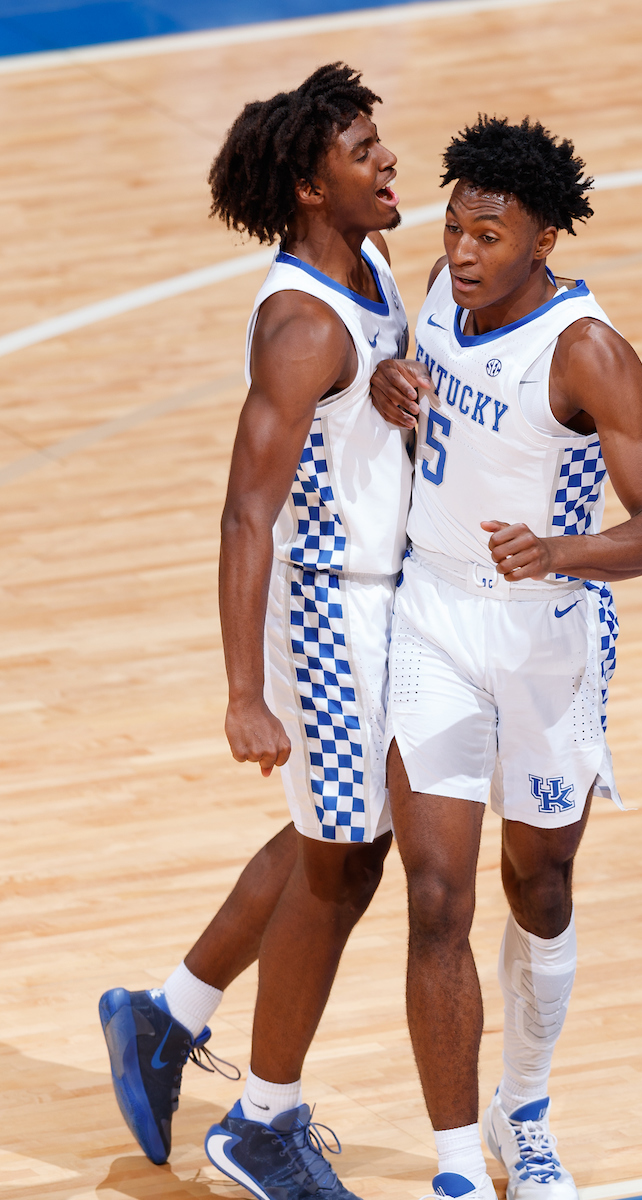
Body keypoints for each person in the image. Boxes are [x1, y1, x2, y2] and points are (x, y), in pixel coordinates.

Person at [99, 63, 412, 1200]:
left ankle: (163, 1017)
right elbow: (246, 512)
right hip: (327, 609)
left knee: (346, 843)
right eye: (362, 150)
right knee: (340, 863)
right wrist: (244, 690)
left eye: (382, 141)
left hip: (388, 595)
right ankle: (259, 1125)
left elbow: (366, 432)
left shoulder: (370, 267)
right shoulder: (297, 323)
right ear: (305, 184)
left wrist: (405, 395)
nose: (387, 162)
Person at [371, 115, 642, 1200]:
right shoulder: (441, 290)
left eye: (488, 237)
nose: (461, 251)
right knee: (433, 895)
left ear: (543, 237)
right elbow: (437, 413)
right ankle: (457, 1164)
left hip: (547, 630)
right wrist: (392, 393)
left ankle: (524, 1109)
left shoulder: (586, 352)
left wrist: (556, 548)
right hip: (432, 617)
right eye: (453, 228)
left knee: (537, 881)